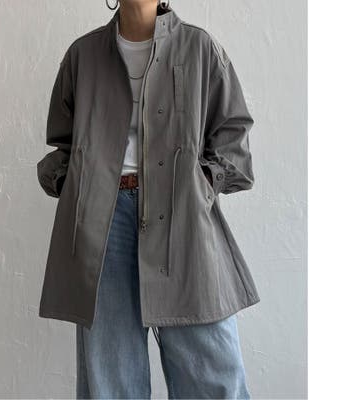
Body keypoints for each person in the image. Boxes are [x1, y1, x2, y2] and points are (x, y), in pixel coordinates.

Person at [36, 0, 261, 398]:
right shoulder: (83, 55)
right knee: (110, 379)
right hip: (102, 224)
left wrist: (199, 185)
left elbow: (233, 140)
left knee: (213, 373)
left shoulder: (199, 48)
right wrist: (77, 186)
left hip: (183, 220)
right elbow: (64, 144)